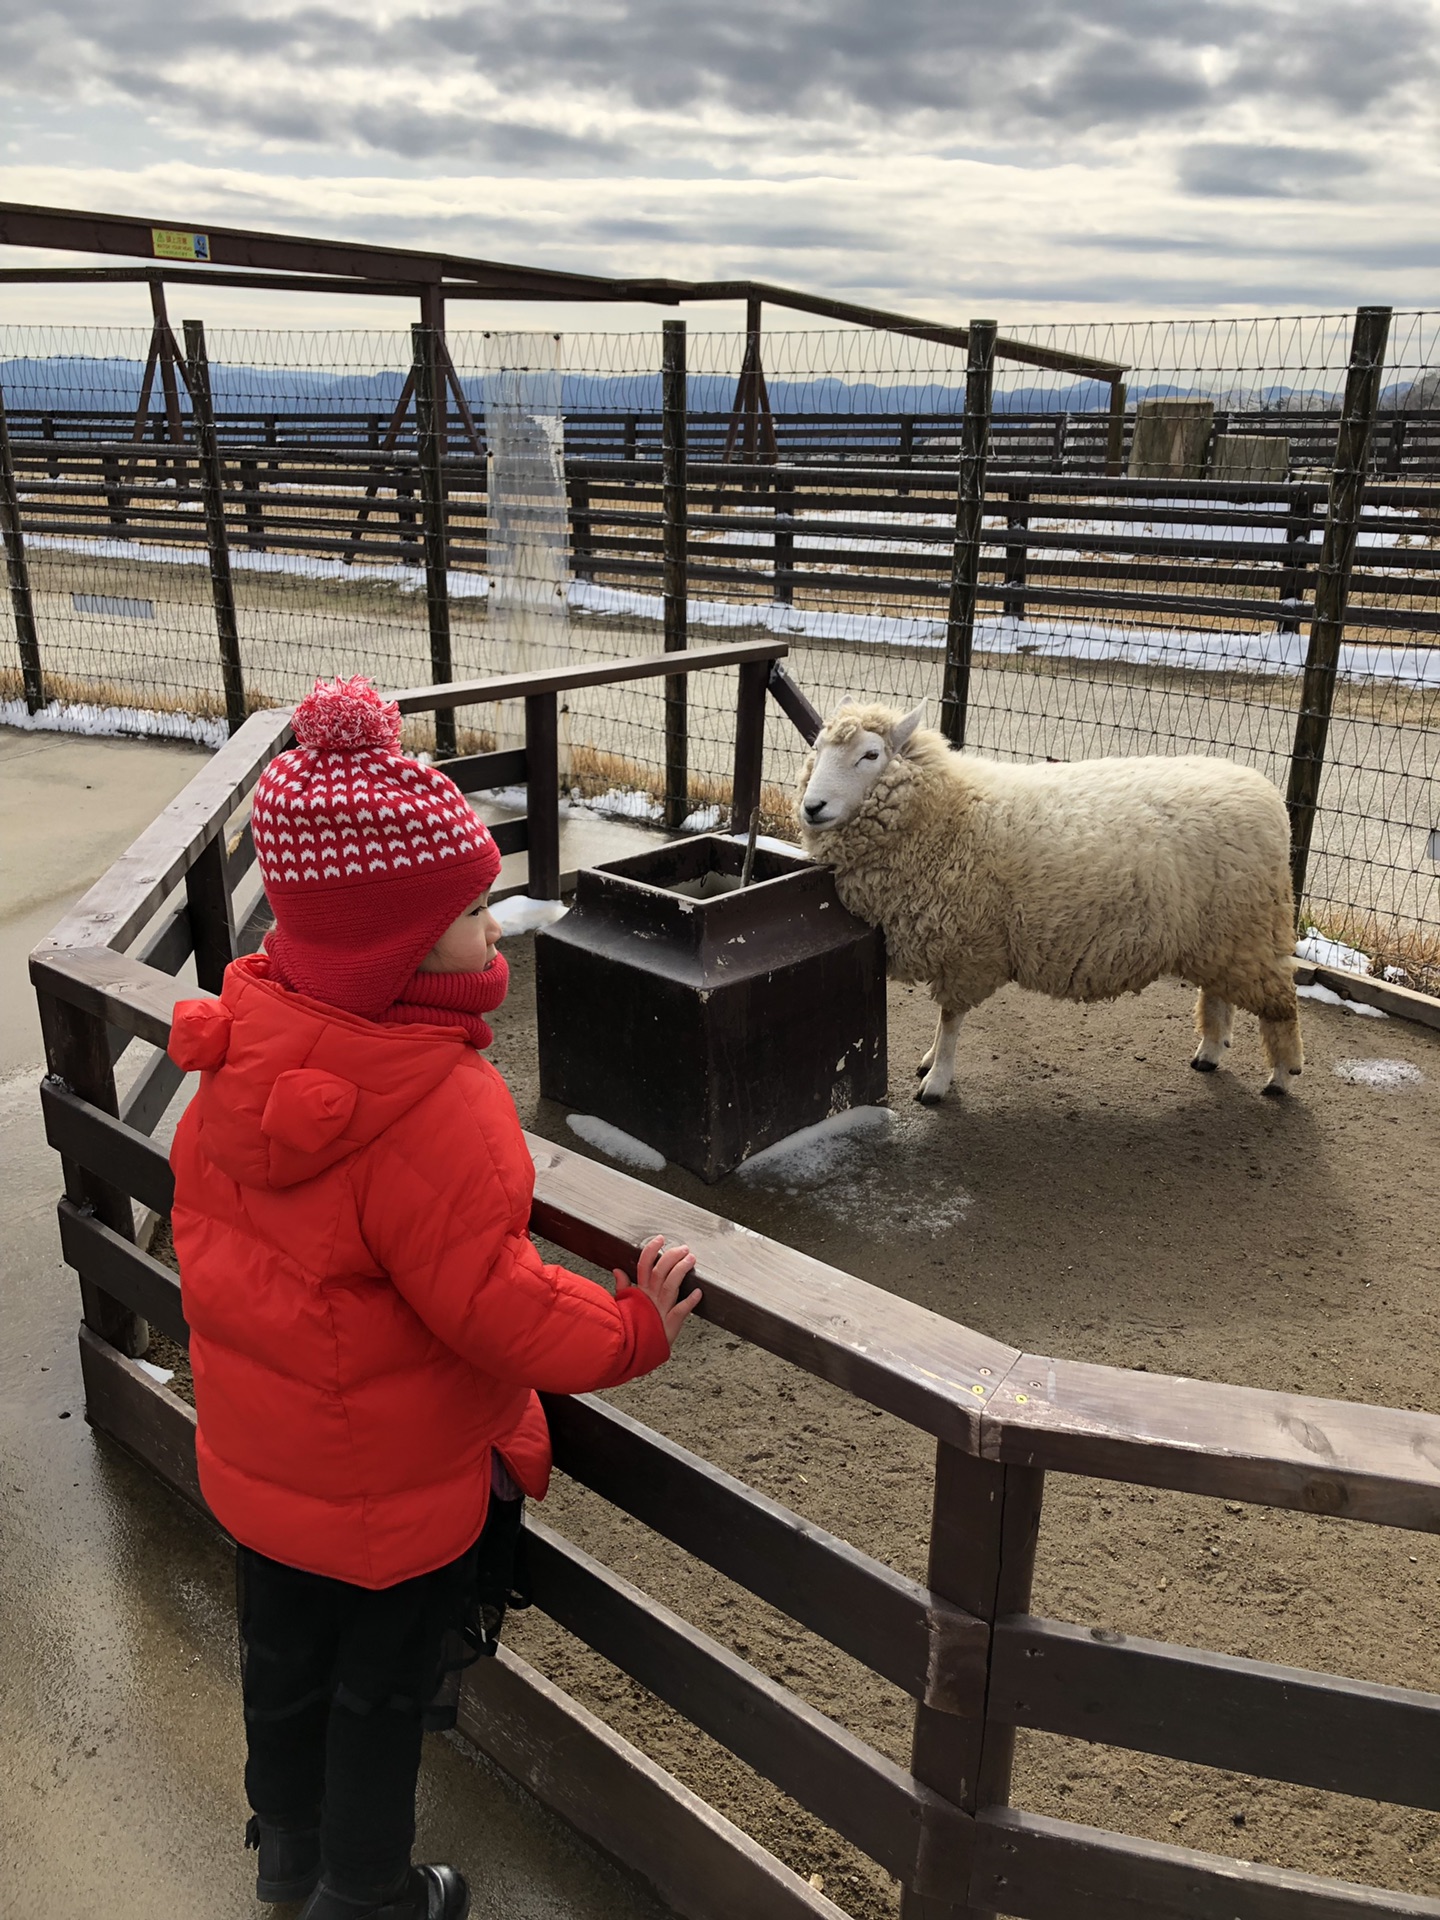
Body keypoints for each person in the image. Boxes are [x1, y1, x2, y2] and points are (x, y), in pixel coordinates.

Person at [166, 676, 700, 1920]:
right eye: (469, 911)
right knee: (377, 1696)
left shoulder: (244, 1042)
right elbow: (496, 1305)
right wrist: (632, 1327)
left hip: (263, 1461)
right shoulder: (437, 1102)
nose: (493, 926)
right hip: (393, 1494)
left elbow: (215, 1239)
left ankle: (286, 1859)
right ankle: (370, 1896)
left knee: (283, 1664)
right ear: (393, 945)